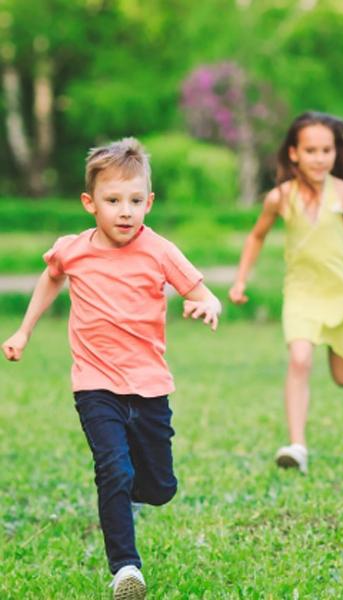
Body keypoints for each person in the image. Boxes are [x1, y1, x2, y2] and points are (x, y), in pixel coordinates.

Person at [1, 138, 222, 599]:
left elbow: (202, 292)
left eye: (135, 201)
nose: (125, 211)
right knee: (113, 471)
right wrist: (23, 331)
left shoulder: (159, 250)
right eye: (113, 201)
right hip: (94, 384)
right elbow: (51, 277)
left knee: (159, 487)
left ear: (149, 202)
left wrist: (208, 305)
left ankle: (129, 493)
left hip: (149, 385)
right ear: (90, 203)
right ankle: (126, 569)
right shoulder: (73, 249)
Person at [229, 112, 343, 474]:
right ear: (294, 153)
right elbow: (256, 236)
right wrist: (241, 279)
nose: (319, 158)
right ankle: (297, 445)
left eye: (326, 150)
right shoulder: (280, 198)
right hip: (301, 293)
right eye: (311, 150)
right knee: (300, 359)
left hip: (342, 293)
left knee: (342, 376)